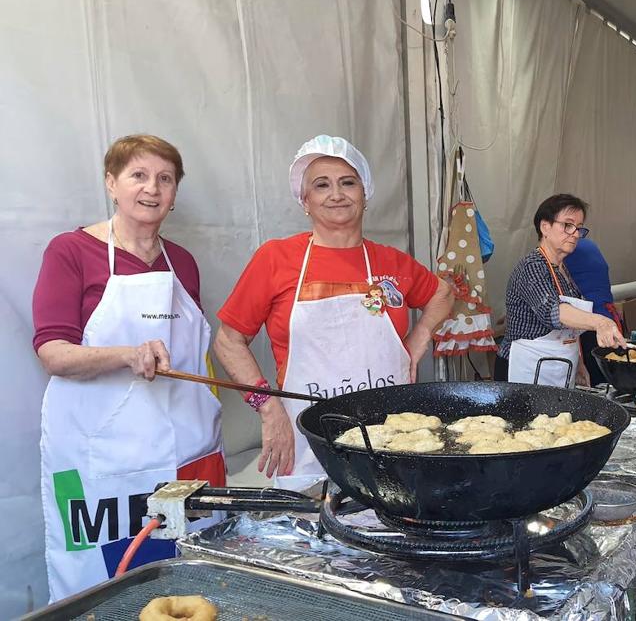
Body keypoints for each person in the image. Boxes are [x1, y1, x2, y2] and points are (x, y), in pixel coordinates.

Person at [33, 134, 223, 600]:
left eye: (165, 178)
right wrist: (126, 354)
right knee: (104, 586)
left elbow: (196, 350)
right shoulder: (71, 251)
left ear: (176, 192)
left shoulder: (183, 263)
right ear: (111, 183)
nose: (152, 188)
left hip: (186, 454)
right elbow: (52, 351)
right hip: (101, 460)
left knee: (189, 579)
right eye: (138, 175)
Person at [214, 135, 453, 490]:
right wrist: (267, 407)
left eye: (348, 183)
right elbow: (228, 340)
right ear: (305, 201)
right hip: (310, 440)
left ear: (364, 194)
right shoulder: (276, 259)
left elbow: (444, 293)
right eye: (321, 185)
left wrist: (417, 341)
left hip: (392, 438)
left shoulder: (390, 261)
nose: (336, 194)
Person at [495, 194, 627, 387]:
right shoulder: (532, 266)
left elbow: (569, 330)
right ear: (545, 227)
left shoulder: (562, 270)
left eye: (579, 227)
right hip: (524, 369)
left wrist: (578, 363)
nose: (575, 233)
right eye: (567, 225)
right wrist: (601, 322)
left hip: (558, 367)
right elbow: (553, 311)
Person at [564, 237, 623, 386]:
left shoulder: (565, 250)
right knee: (609, 382)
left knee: (592, 385)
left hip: (590, 325)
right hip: (609, 319)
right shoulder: (589, 245)